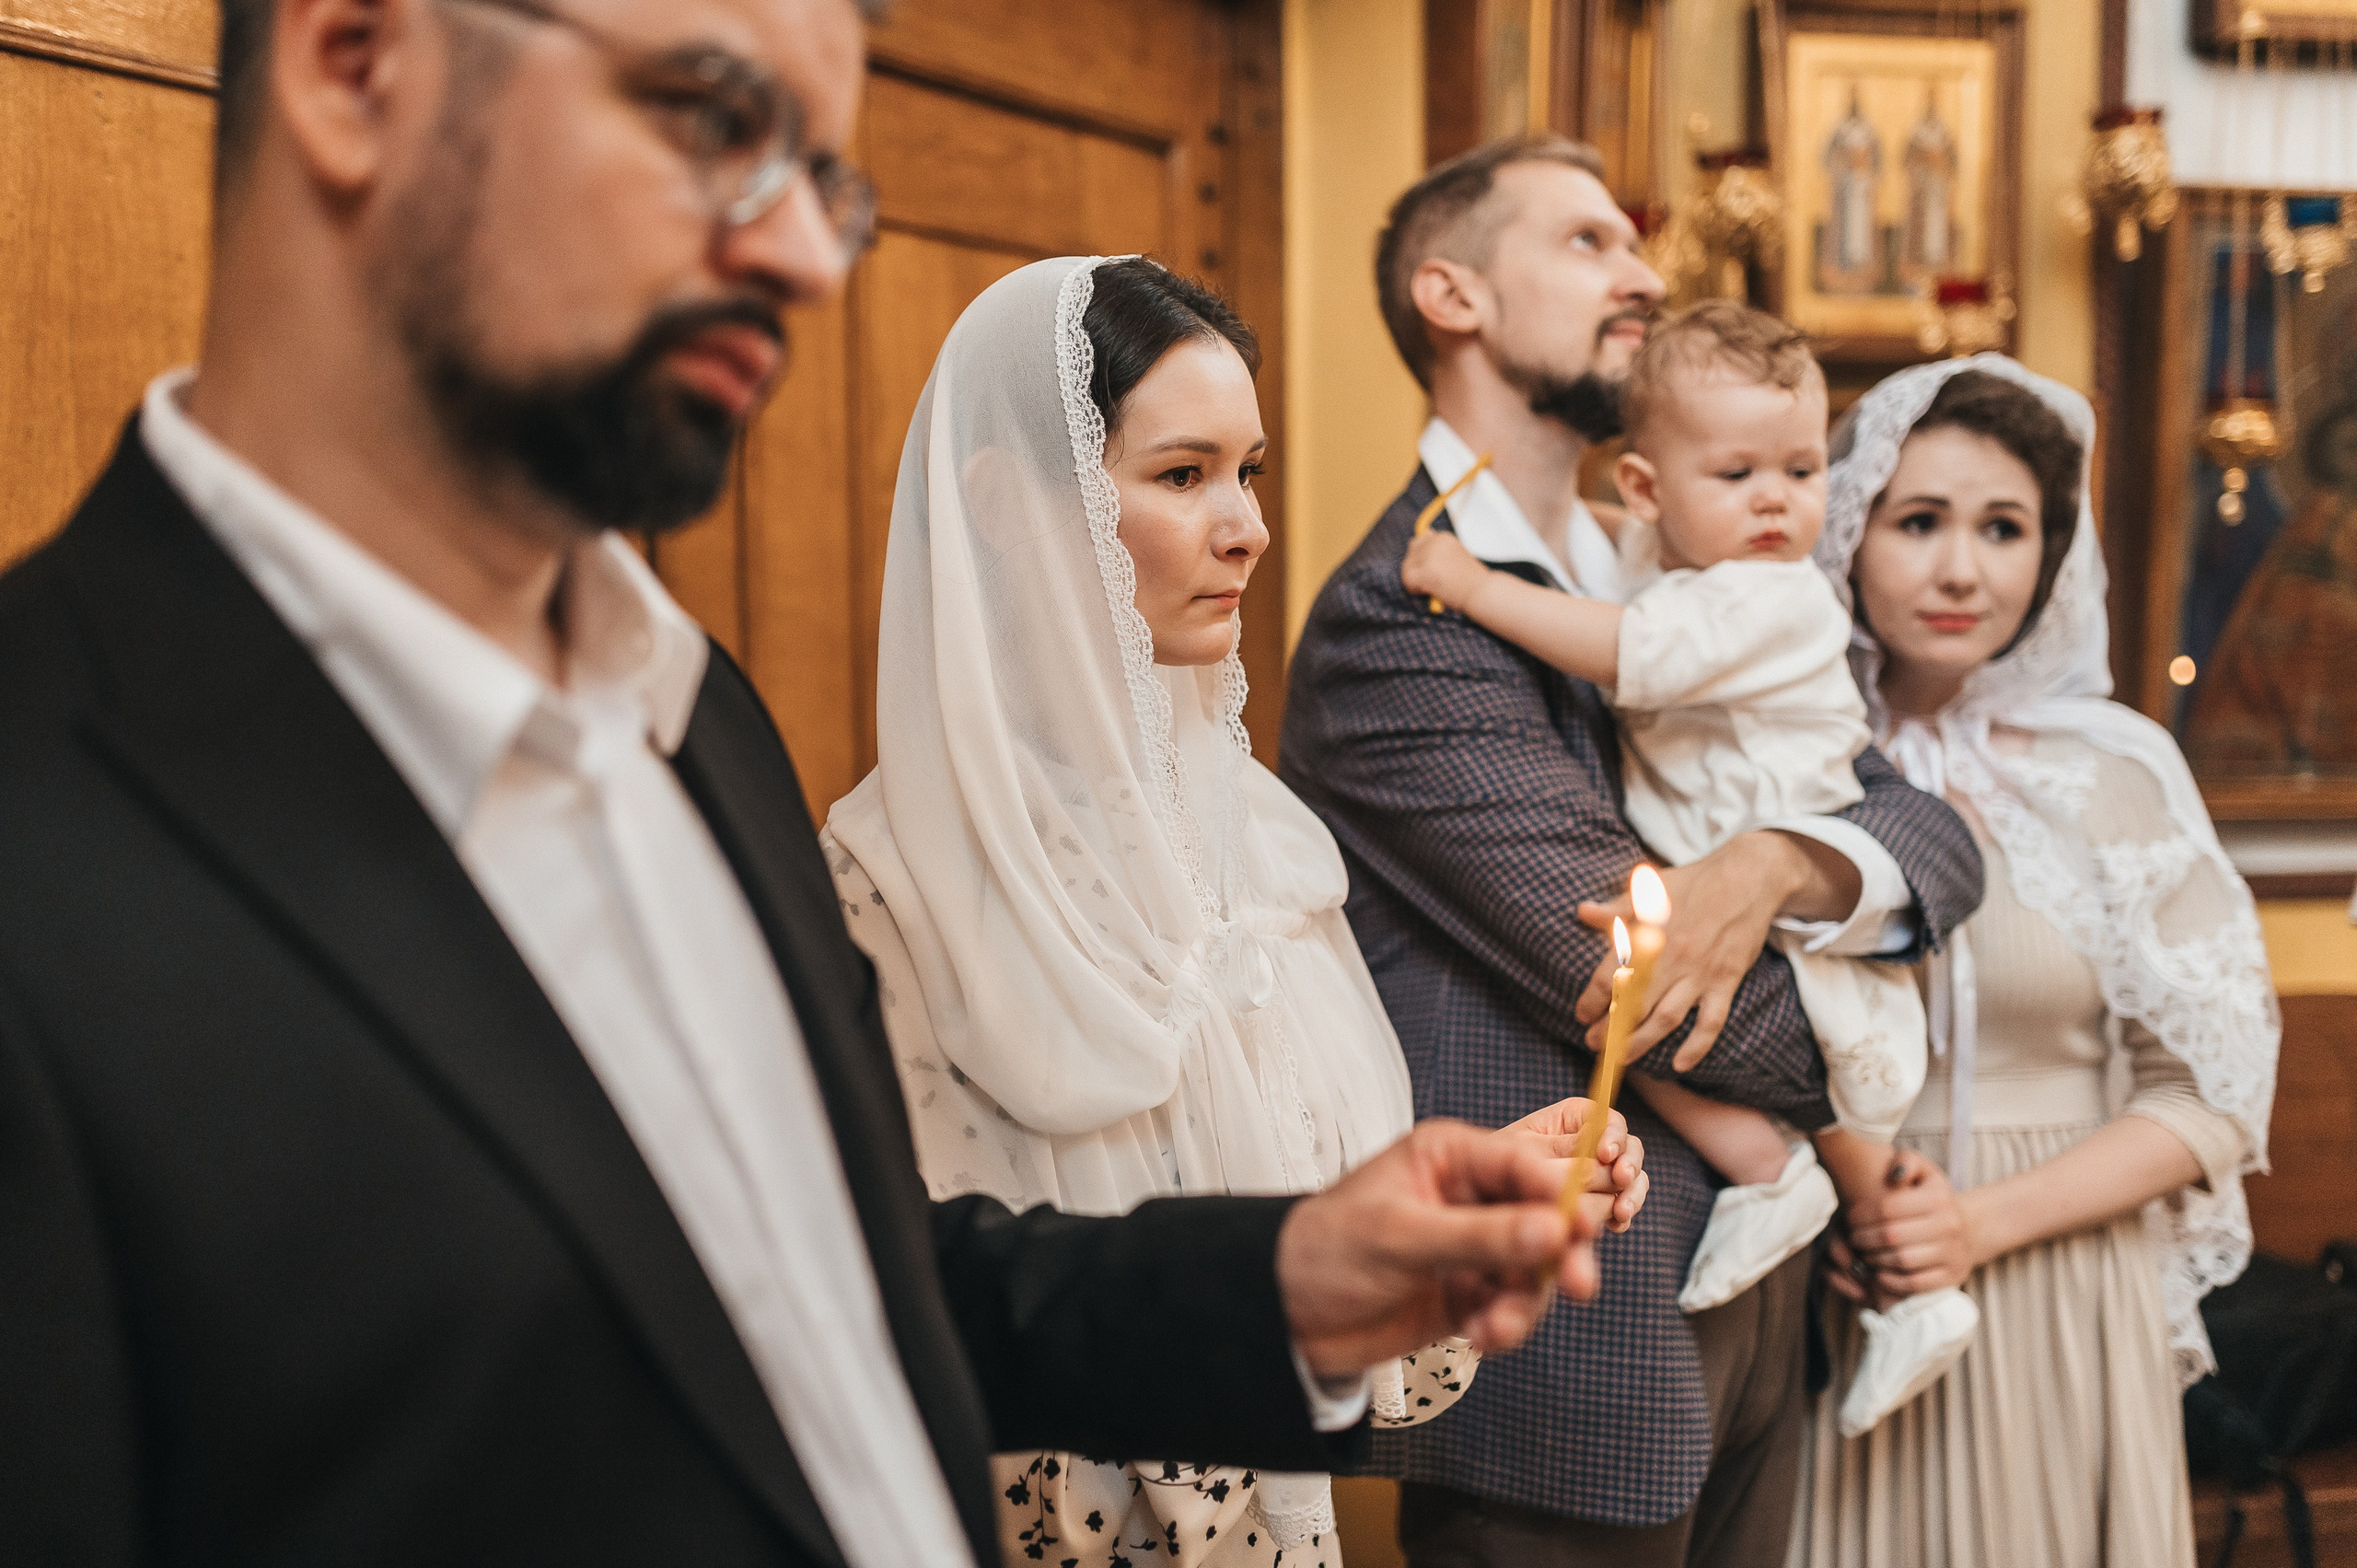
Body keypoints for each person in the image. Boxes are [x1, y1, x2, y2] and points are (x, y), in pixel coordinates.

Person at [0, 3, 1631, 1562]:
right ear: (357, 63)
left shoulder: (694, 717)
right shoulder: (51, 821)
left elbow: (851, 1281)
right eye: (714, 122)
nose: (798, 254)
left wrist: (1280, 1275)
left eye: (819, 177)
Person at [821, 253, 1650, 1568]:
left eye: (1249, 470)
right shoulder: (886, 882)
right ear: (1003, 502)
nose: (1248, 524)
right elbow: (911, 1316)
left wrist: (1476, 1189)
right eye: (1181, 473)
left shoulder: (1263, 842)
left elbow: (1310, 1249)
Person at [1281, 134, 1986, 1568]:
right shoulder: (1400, 622)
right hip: (1571, 1345)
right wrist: (1865, 1082)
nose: (1644, 272)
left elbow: (1928, 825)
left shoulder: (1686, 564)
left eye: (1635, 242)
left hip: (1761, 1294)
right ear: (1452, 294)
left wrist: (1782, 864)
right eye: (1589, 243)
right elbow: (1639, 979)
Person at [1399, 302, 1973, 1441]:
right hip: (1719, 889)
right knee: (1629, 1019)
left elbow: (1625, 649)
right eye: (1738, 471)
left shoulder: (1774, 591)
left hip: (1786, 921)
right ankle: (1814, 1204)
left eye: (1803, 468)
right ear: (1656, 492)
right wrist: (1628, 509)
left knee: (1652, 1019)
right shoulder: (1675, 554)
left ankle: (1820, 1212)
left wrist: (1465, 581)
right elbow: (1630, 544)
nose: (1776, 498)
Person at [1792, 357, 2279, 1566]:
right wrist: (1869, 1207)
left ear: (2051, 552)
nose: (1963, 568)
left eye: (2004, 527)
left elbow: (2212, 1091)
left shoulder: (2115, 770)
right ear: (1850, 535)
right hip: (1840, 1279)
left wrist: (1979, 1223)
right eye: (1919, 522)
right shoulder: (1778, 757)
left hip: (2060, 1279)